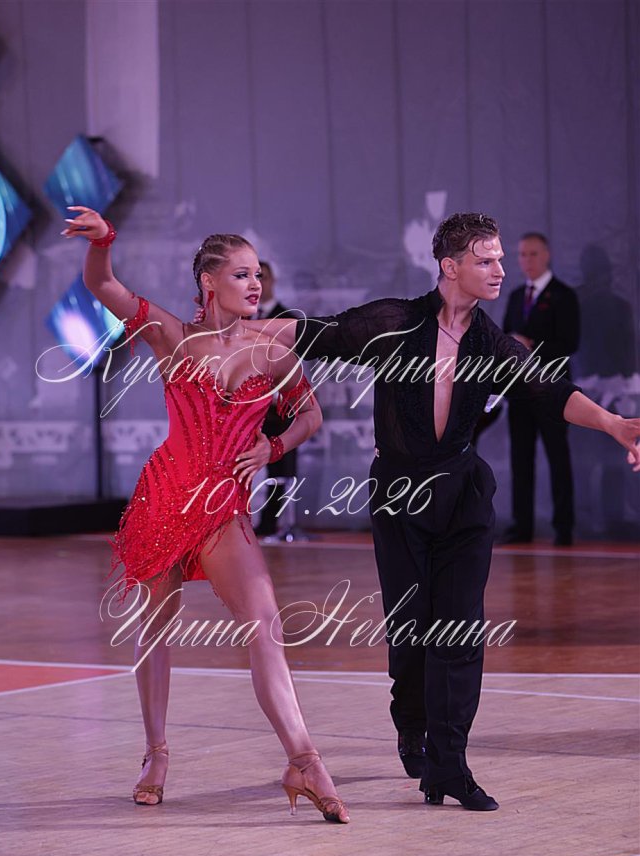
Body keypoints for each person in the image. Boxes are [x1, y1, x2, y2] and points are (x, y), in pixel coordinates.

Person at [250, 212, 640, 811]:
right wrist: (231, 329)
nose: (500, 270)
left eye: (501, 259)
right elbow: (314, 333)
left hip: (462, 497)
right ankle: (411, 725)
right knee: (411, 630)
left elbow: (547, 389)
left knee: (459, 630)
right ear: (449, 267)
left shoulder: (490, 341)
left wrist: (614, 424)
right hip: (399, 497)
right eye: (486, 260)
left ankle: (449, 766)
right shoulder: (393, 322)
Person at [60, 205, 349, 823]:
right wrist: (104, 240)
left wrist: (273, 447)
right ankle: (156, 754)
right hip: (165, 499)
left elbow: (311, 416)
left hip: (223, 509)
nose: (255, 285)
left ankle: (304, 760)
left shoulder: (274, 349)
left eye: (258, 275)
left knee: (265, 624)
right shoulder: (170, 334)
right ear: (209, 282)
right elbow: (101, 284)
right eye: (242, 275)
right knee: (155, 629)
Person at [500, 232, 580, 545]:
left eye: (533, 254)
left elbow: (569, 343)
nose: (527, 260)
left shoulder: (563, 296)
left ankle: (564, 527)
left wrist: (531, 345)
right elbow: (504, 338)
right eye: (522, 254)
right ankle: (522, 526)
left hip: (552, 391)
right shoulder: (516, 296)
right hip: (520, 391)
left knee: (558, 456)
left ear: (546, 255)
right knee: (521, 459)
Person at [255, 261, 301, 537]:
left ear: (272, 281)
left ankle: (275, 523)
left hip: (277, 406)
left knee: (280, 465)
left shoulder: (287, 318)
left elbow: (292, 365)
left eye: (262, 277)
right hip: (244, 406)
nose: (258, 283)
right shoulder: (241, 318)